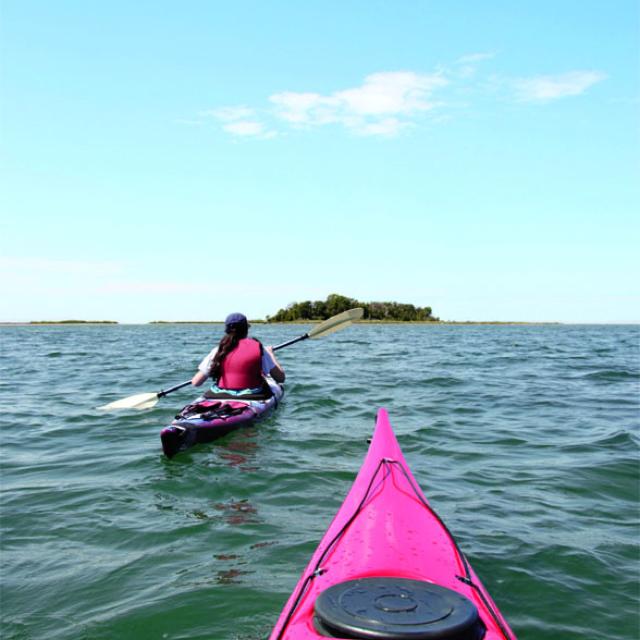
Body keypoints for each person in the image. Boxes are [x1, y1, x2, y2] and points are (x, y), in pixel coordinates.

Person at [191, 312, 285, 398]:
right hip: (252, 396)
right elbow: (280, 378)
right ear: (246, 329)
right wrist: (271, 354)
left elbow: (196, 382)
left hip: (221, 395)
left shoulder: (218, 350)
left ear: (227, 330)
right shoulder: (259, 348)